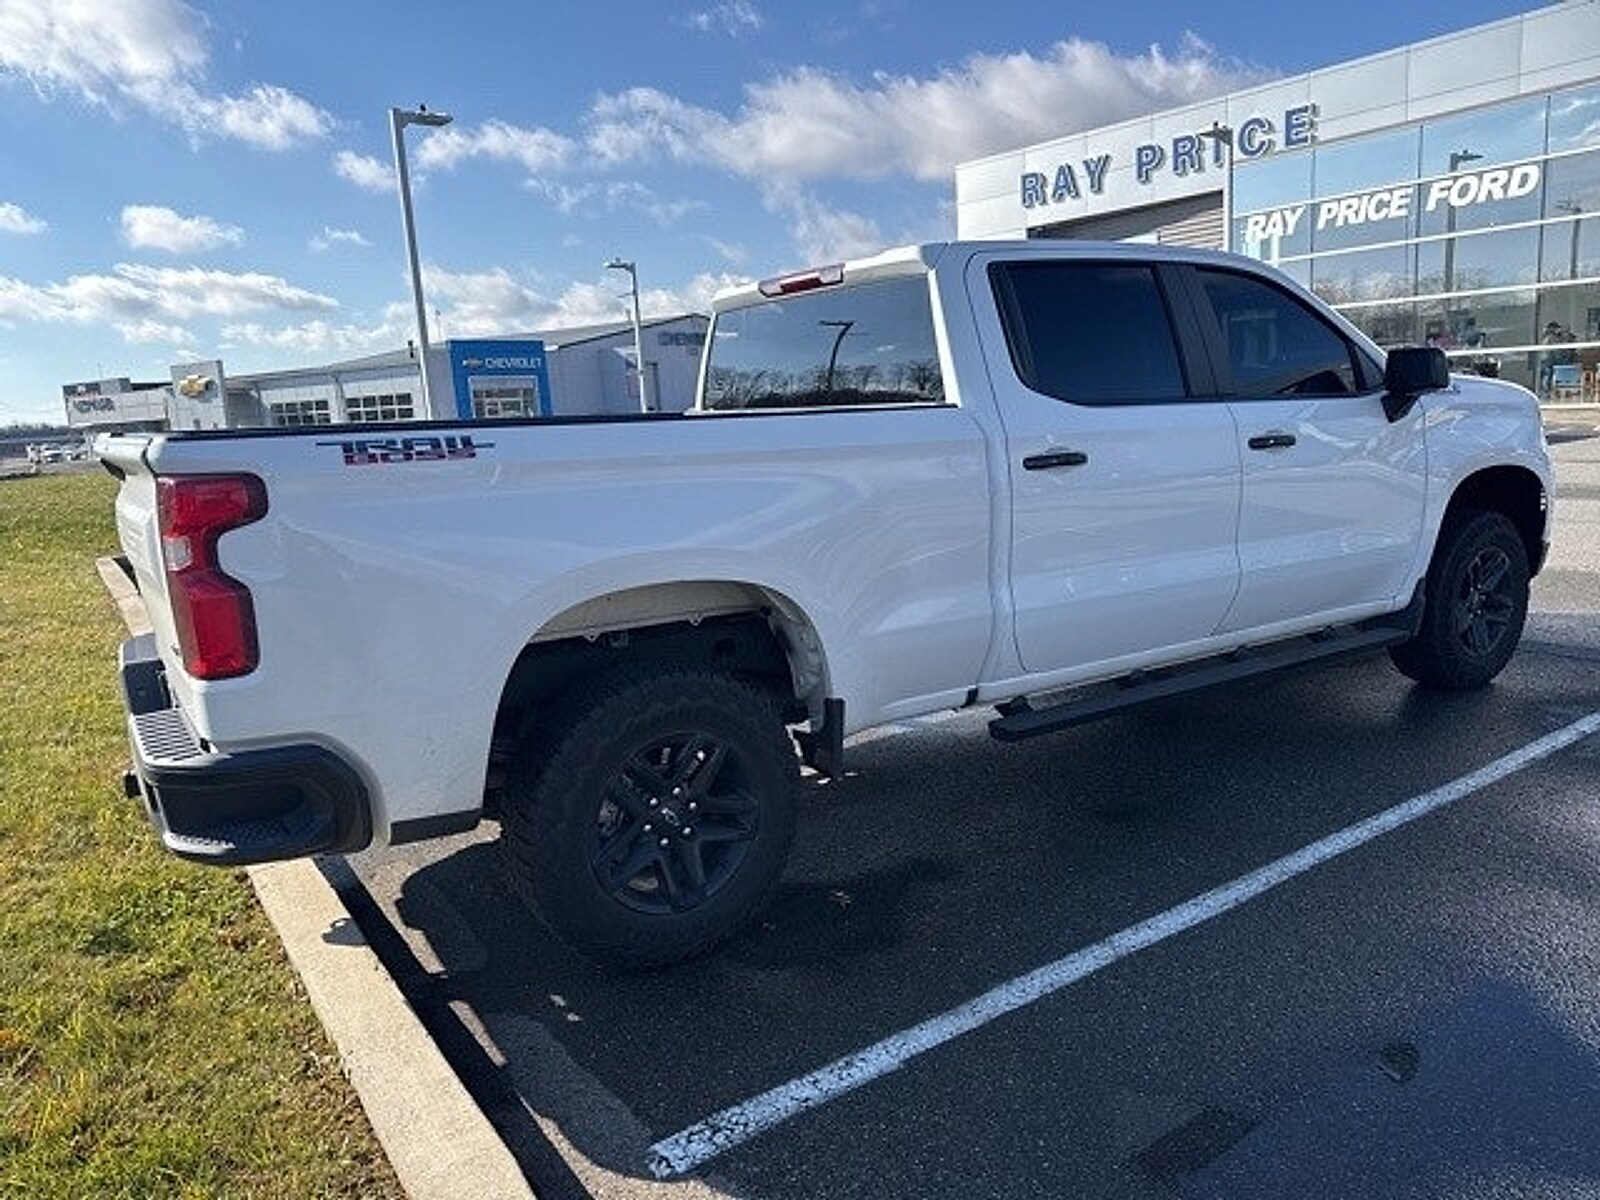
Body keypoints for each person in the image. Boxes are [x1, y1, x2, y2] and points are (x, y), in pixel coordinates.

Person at [1540, 321, 1578, 395]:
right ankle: (1547, 391)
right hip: (1550, 360)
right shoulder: (1551, 337)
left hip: (1550, 360)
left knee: (1548, 375)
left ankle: (1547, 391)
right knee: (1548, 375)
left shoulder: (1552, 337)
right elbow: (1557, 351)